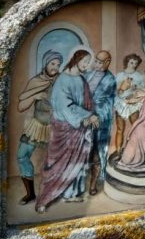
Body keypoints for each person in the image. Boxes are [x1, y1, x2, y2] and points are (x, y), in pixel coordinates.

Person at [35, 48, 99, 213]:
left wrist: (90, 115)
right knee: (60, 165)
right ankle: (46, 198)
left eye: (88, 63)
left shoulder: (81, 79)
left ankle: (72, 193)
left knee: (77, 162)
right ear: (76, 60)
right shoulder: (63, 79)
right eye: (84, 62)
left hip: (78, 127)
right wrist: (84, 117)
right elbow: (65, 106)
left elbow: (87, 103)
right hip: (65, 127)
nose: (86, 65)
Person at [15, 50, 62, 205]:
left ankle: (54, 192)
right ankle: (30, 194)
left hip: (55, 126)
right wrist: (34, 96)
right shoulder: (36, 81)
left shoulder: (63, 81)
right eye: (52, 63)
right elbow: (21, 105)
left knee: (56, 160)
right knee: (22, 156)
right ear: (46, 64)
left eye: (58, 64)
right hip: (36, 125)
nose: (55, 67)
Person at [84, 50, 116, 195]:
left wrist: (91, 115)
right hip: (84, 119)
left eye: (100, 62)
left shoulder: (110, 80)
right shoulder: (87, 74)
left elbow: (101, 102)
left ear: (108, 62)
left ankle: (93, 185)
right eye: (96, 61)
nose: (96, 64)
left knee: (95, 153)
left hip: (99, 121)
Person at [112, 54, 145, 154]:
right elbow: (116, 91)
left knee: (135, 127)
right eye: (132, 62)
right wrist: (122, 88)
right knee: (120, 128)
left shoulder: (139, 76)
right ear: (127, 62)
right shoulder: (119, 75)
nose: (133, 65)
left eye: (136, 63)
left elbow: (142, 91)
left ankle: (137, 151)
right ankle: (118, 151)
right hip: (121, 103)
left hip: (133, 104)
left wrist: (136, 89)